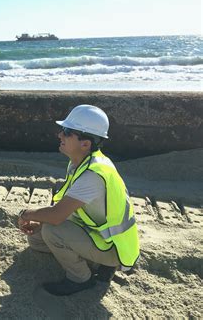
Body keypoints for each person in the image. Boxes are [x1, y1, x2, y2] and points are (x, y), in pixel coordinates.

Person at [17, 105, 139, 296]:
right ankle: (94, 261)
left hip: (114, 248)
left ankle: (81, 278)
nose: (60, 135)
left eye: (67, 132)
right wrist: (41, 219)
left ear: (85, 143)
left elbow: (57, 217)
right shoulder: (83, 162)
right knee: (36, 240)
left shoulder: (92, 175)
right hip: (97, 234)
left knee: (52, 230)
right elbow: (70, 208)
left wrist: (26, 214)